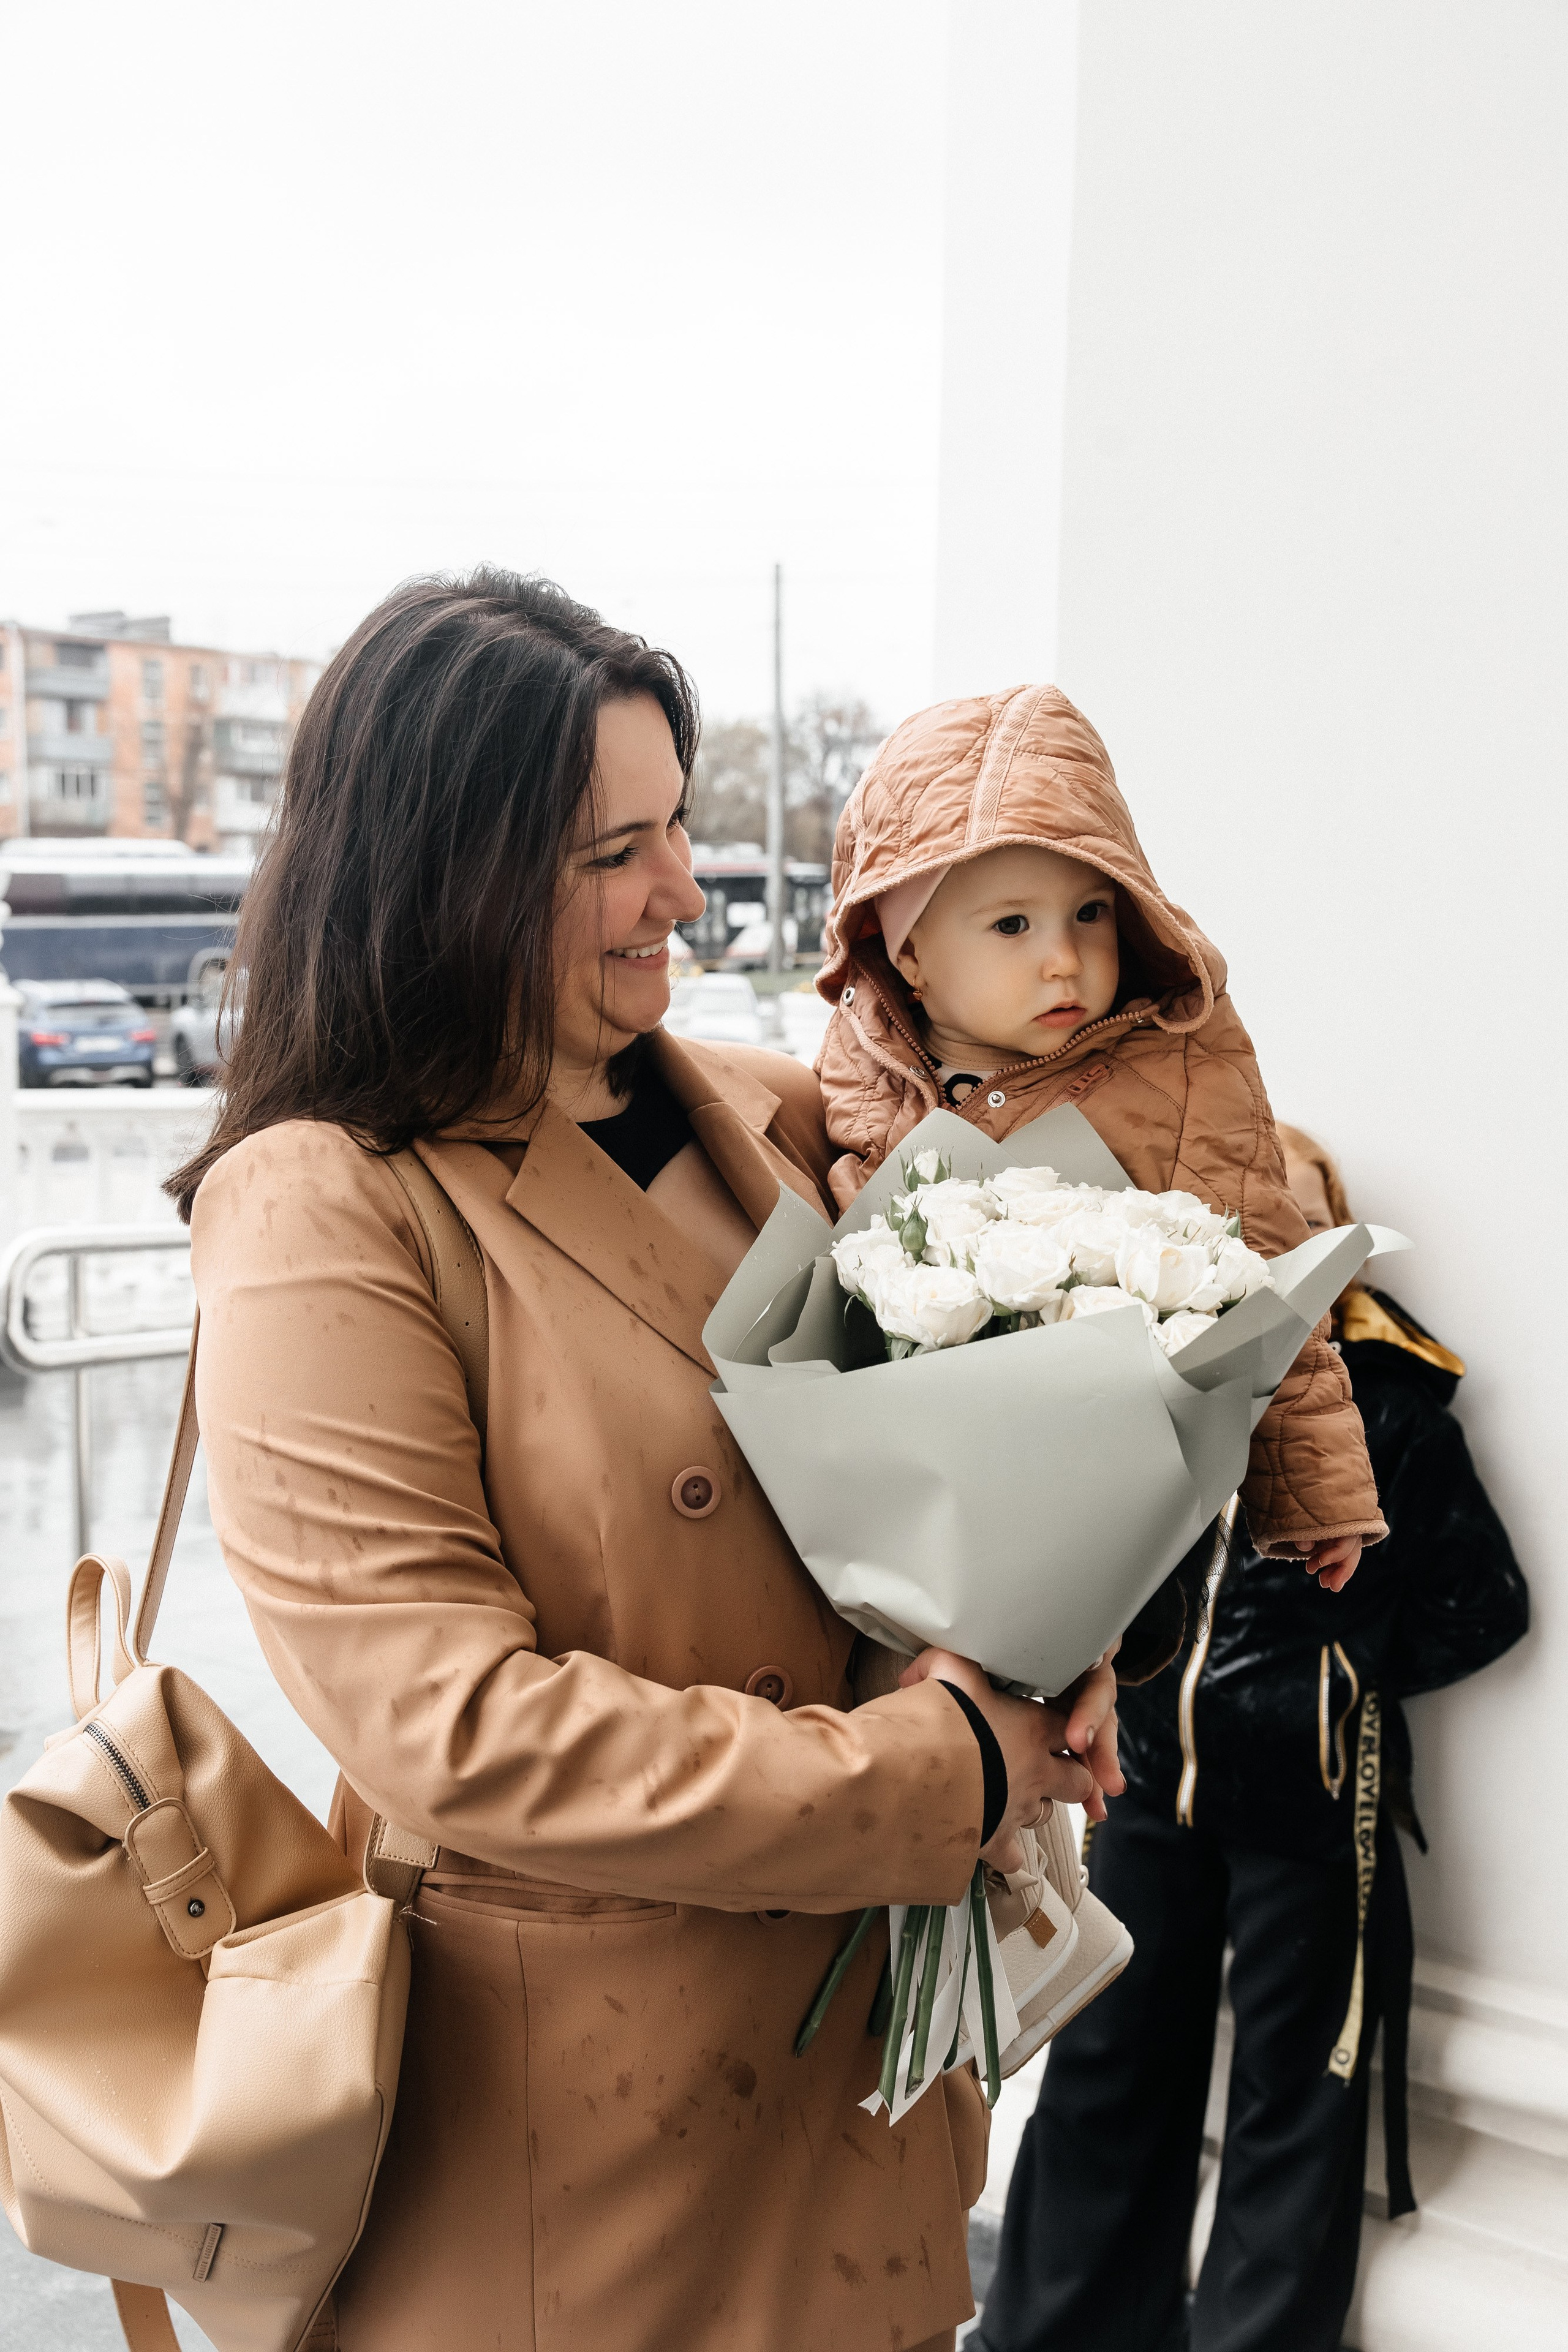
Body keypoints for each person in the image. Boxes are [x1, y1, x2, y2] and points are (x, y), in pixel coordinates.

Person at [168, 571, 1122, 2352]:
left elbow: (946, 1470)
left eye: (678, 826)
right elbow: (455, 1731)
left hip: (853, 2119)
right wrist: (934, 1774)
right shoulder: (324, 1204)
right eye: (620, 851)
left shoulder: (771, 1113)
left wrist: (1047, 1646)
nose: (685, 889)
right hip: (581, 2180)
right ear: (449, 870)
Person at [973, 1125, 1528, 2352]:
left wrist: (1338, 1679)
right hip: (1146, 1788)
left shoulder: (1392, 1414)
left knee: (1294, 2088)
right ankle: (1051, 2326)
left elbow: (1483, 1605)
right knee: (1107, 2060)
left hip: (1309, 1800)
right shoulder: (1159, 1381)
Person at [814, 685, 1385, 1615]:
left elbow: (1273, 1279)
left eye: (1090, 913)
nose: (1064, 959)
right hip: (915, 1500)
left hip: (1121, 1502)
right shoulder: (860, 1054)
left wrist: (1315, 1491)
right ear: (905, 953)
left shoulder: (1176, 1060)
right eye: (1012, 925)